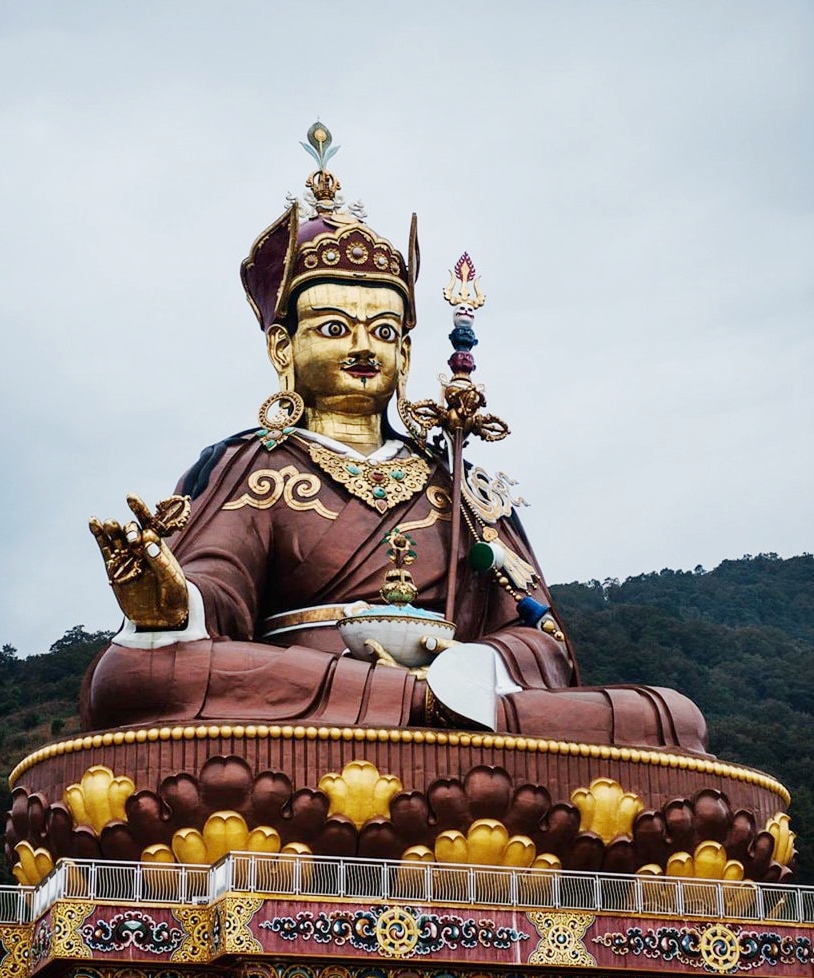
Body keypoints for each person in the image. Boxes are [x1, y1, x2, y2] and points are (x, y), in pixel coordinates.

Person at [84, 127, 708, 756]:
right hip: (300, 704)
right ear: (284, 349)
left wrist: (464, 671)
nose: (362, 348)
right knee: (136, 675)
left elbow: (542, 640)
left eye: (382, 331)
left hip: (455, 694)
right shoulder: (255, 465)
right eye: (333, 328)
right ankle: (413, 711)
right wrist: (170, 604)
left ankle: (425, 709)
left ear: (405, 354)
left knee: (670, 718)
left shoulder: (459, 484)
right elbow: (214, 596)